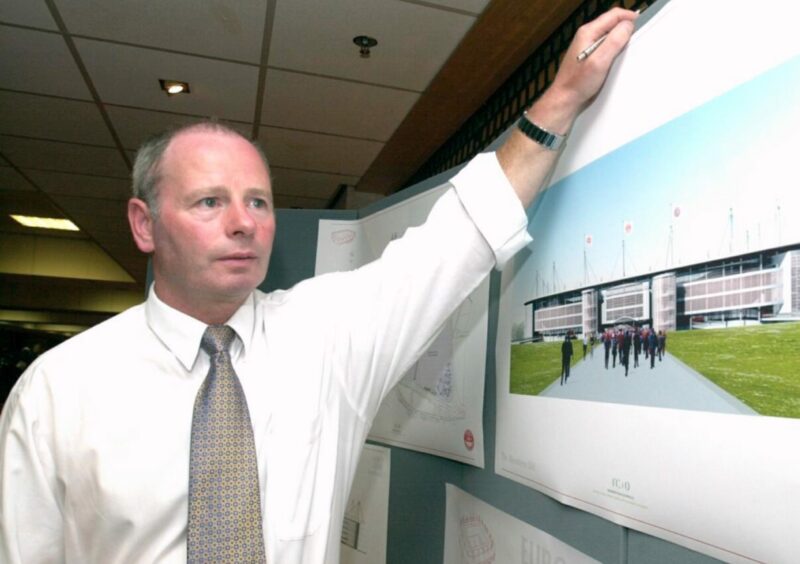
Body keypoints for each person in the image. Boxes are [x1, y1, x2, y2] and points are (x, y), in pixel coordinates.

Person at [0, 8, 640, 563]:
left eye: (258, 202)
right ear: (144, 224)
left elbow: (454, 242)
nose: (243, 224)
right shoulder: (57, 391)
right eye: (208, 203)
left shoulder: (321, 337)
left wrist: (559, 100)